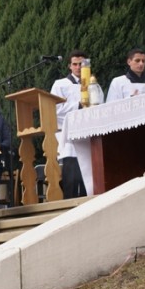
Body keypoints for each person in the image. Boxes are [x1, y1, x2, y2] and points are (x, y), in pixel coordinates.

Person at [50, 50, 89, 198]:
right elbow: (55, 108)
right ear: (69, 66)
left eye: (82, 64)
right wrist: (77, 105)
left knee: (87, 180)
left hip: (87, 135)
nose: (78, 67)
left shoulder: (92, 83)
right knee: (71, 180)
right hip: (68, 137)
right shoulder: (60, 84)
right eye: (75, 64)